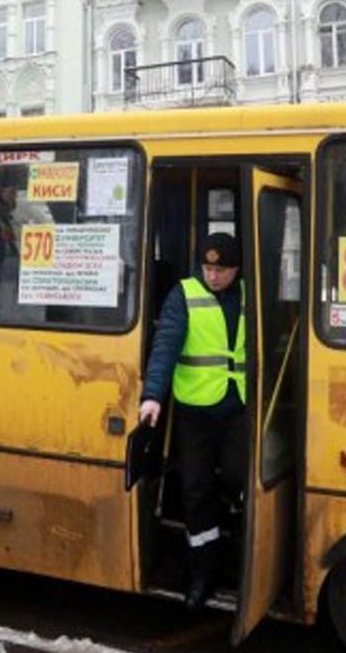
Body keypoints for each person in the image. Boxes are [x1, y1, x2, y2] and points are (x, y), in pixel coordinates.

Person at [139, 232, 248, 609]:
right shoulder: (184, 294)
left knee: (238, 476)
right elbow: (166, 343)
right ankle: (203, 572)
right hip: (194, 411)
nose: (213, 276)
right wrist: (153, 396)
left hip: (239, 407)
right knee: (194, 490)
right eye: (208, 268)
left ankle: (230, 522)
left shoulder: (250, 296)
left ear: (236, 270)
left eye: (221, 270)